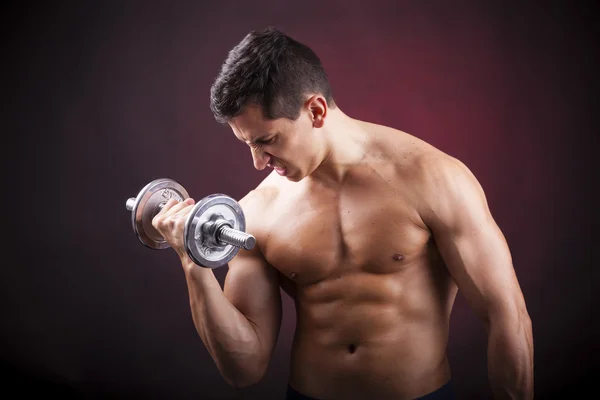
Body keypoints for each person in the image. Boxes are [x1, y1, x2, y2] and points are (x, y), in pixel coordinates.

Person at [152, 27, 534, 400]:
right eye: (248, 145)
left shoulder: (432, 178)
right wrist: (193, 261)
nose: (257, 162)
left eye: (267, 141)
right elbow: (244, 369)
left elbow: (507, 317)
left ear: (315, 110)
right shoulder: (259, 211)